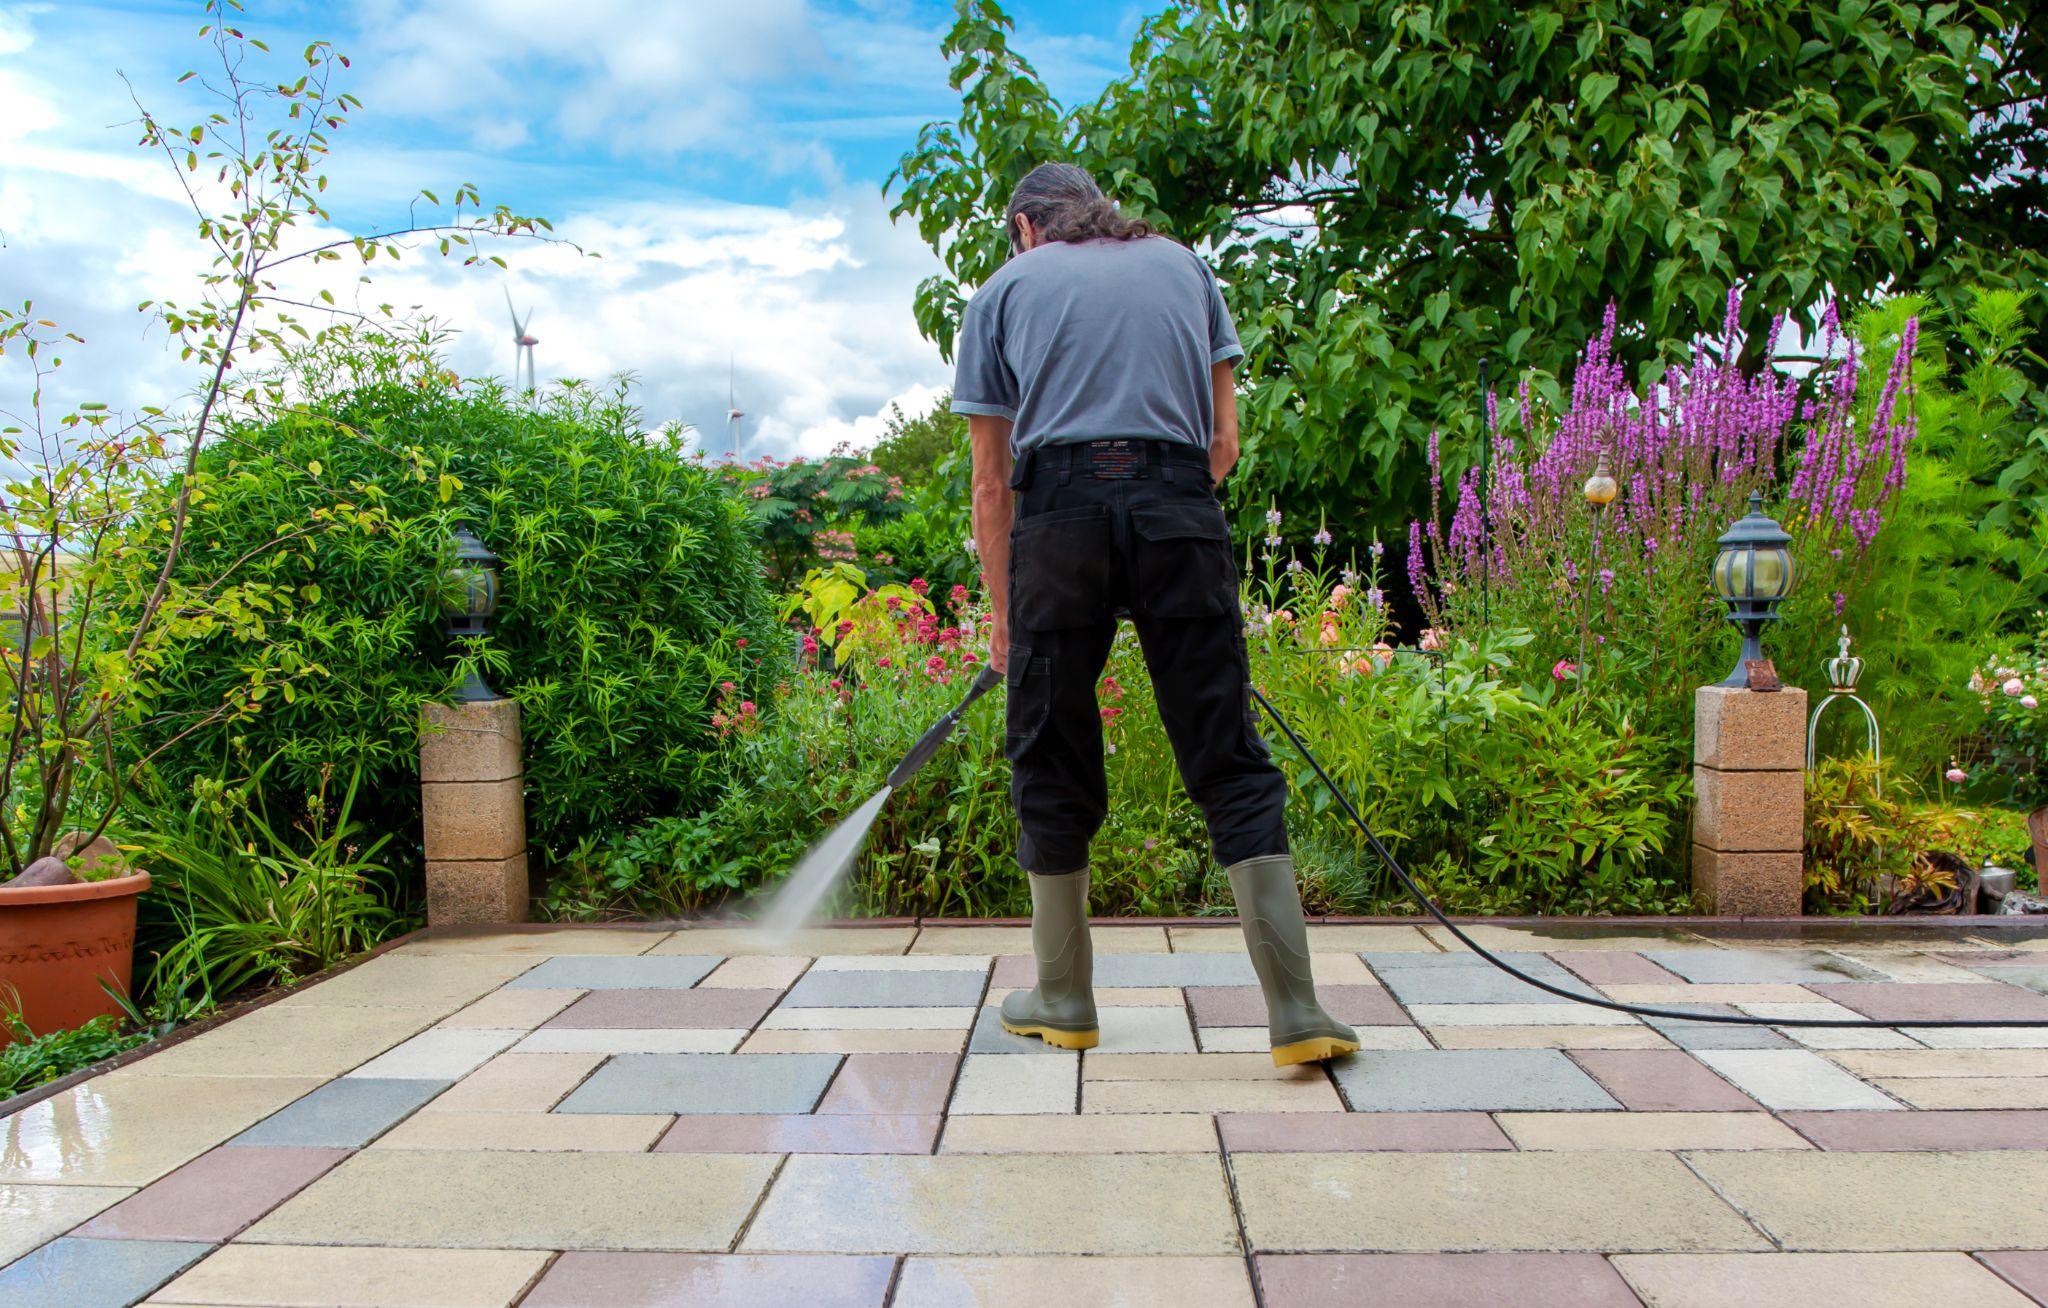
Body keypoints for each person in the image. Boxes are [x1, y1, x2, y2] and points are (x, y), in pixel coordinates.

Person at [952, 162, 1358, 1067]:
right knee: (1227, 753)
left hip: (1056, 519)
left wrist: (1004, 614)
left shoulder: (1003, 291)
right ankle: (1296, 1013)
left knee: (1050, 748)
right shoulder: (1185, 266)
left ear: (1025, 228)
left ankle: (1063, 996)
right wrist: (1156, 510)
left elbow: (989, 481)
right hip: (1178, 506)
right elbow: (1222, 445)